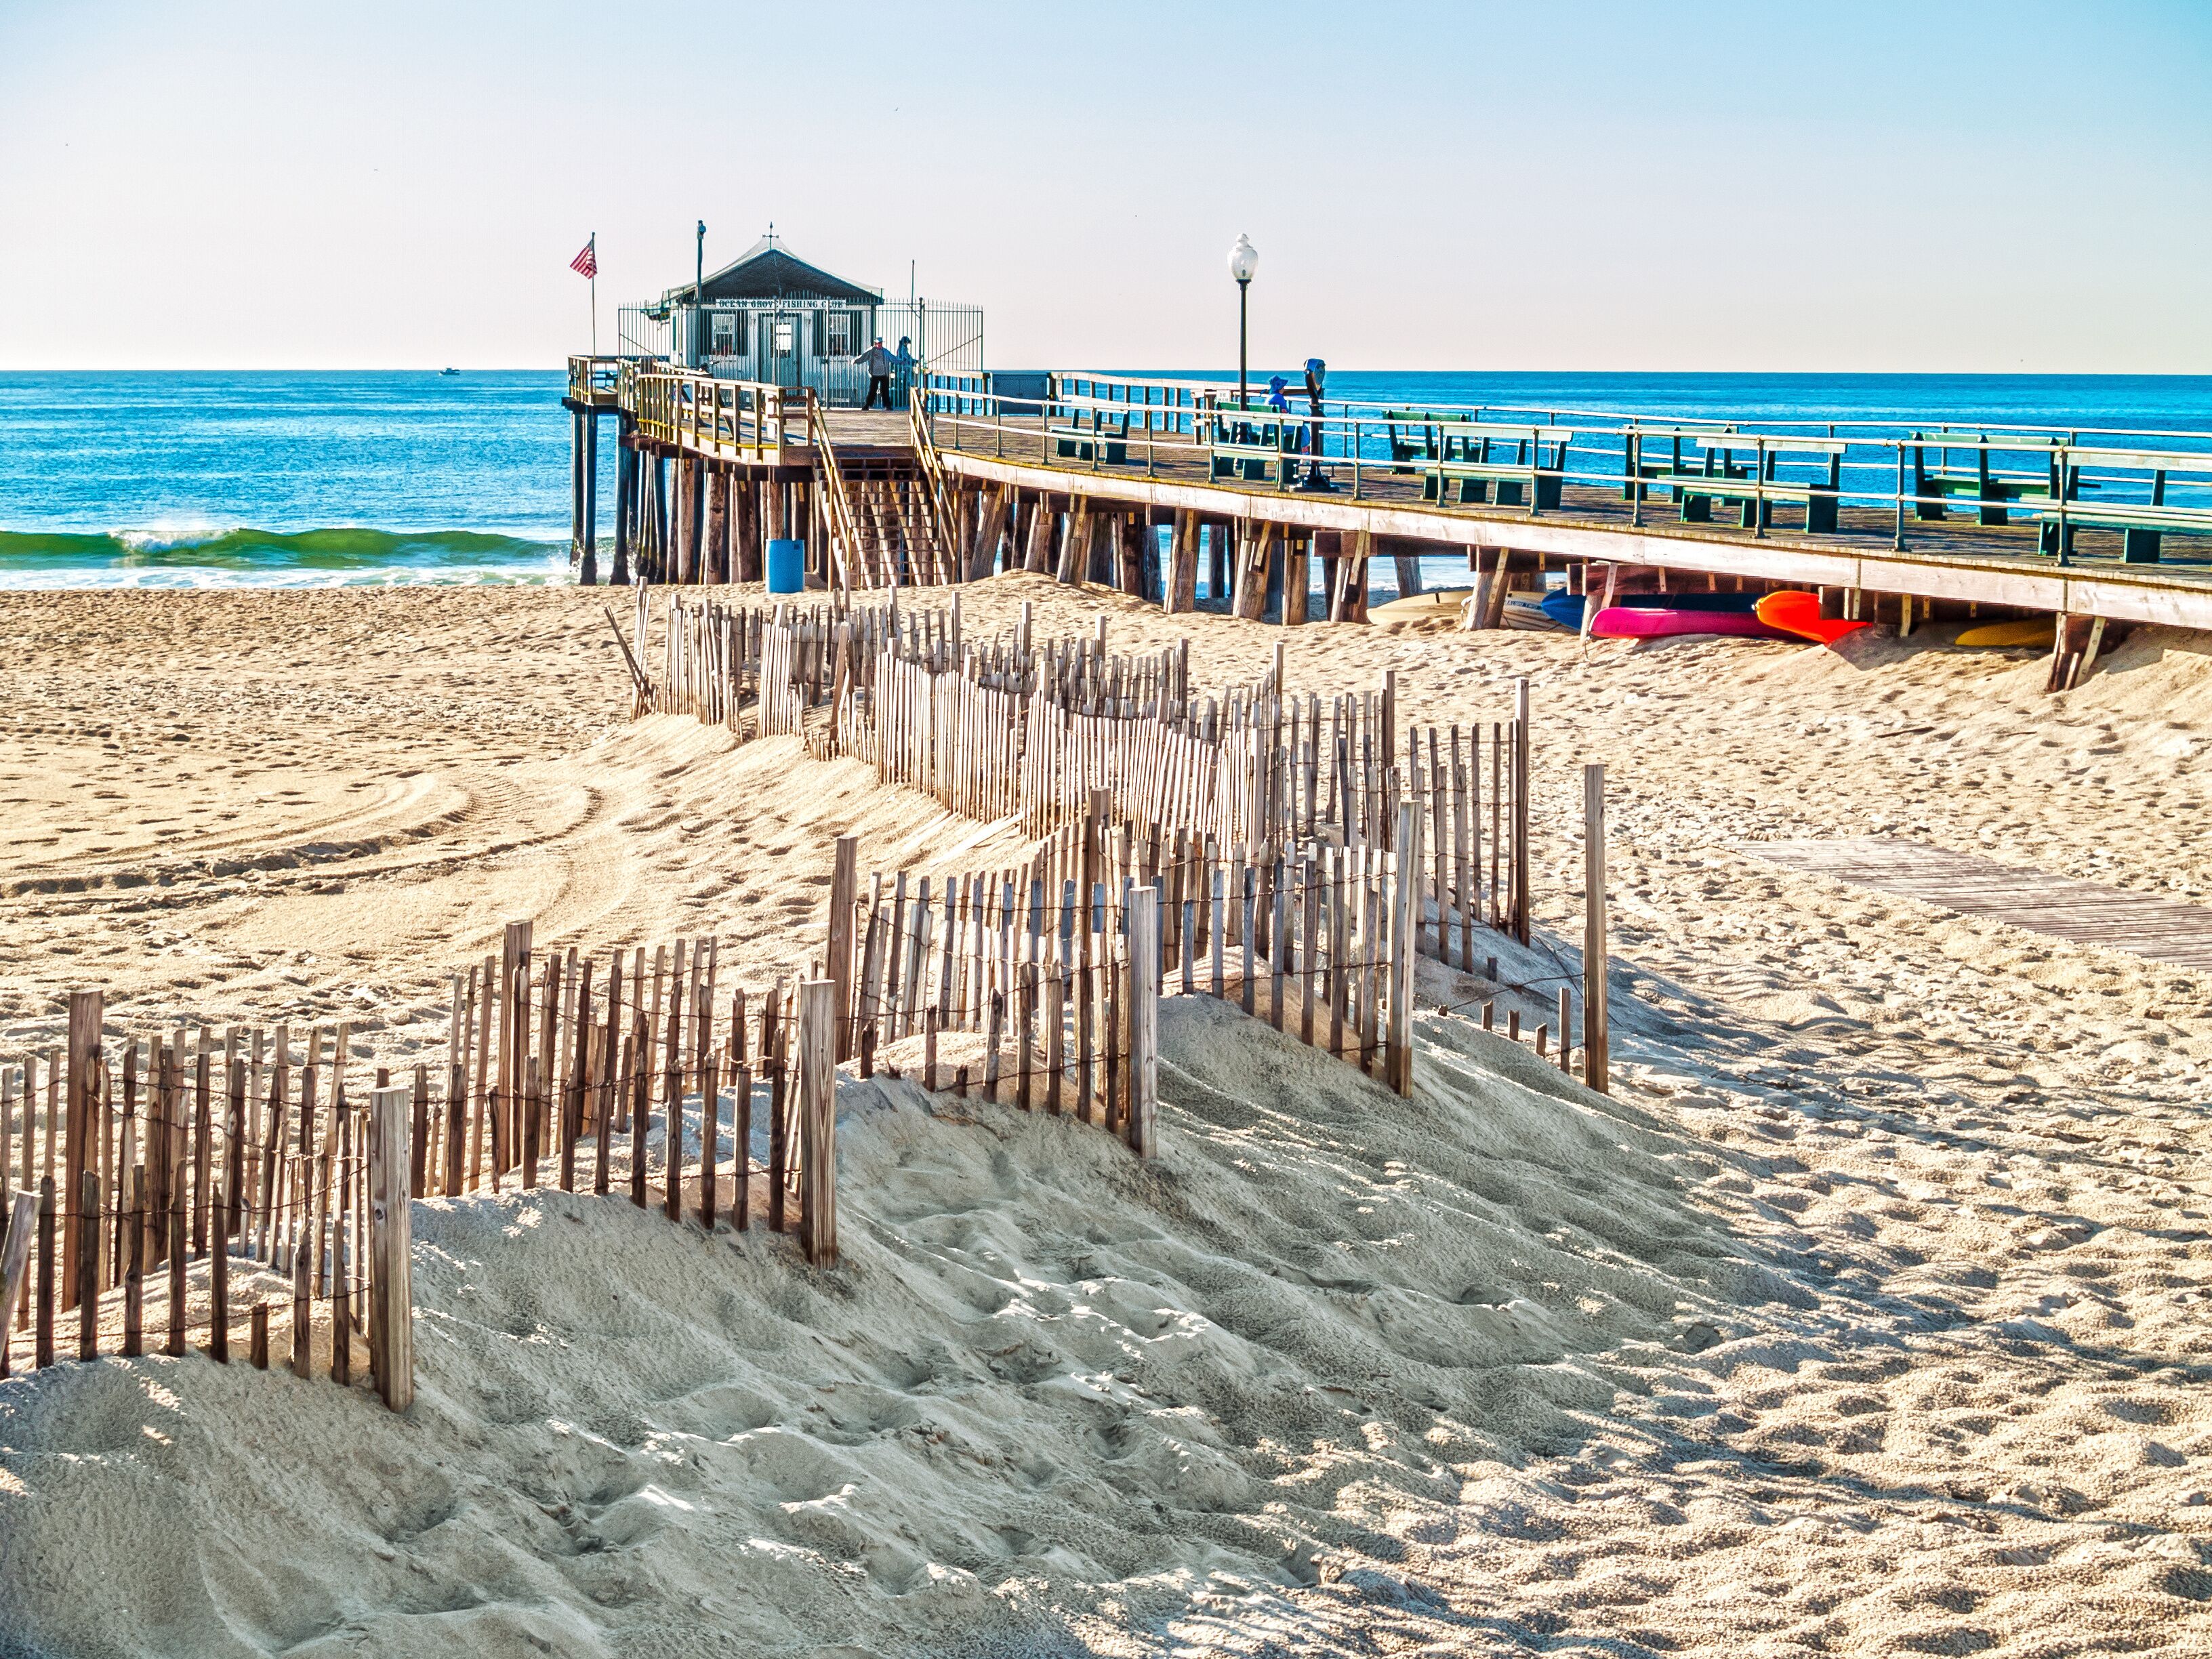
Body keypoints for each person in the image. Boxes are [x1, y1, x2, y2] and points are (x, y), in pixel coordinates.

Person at [855, 336, 896, 409]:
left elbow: (893, 358)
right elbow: (863, 357)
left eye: (881, 343)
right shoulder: (871, 351)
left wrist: (901, 361)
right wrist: (855, 361)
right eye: (878, 343)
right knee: (872, 391)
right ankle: (867, 405)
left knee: (885, 391)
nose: (879, 344)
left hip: (884, 374)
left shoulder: (885, 351)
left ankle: (888, 406)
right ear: (875, 343)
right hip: (875, 374)